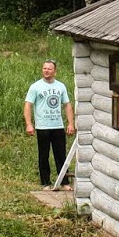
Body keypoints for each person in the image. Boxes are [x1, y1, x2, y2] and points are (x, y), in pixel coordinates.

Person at [23, 60, 75, 190]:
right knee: (43, 155)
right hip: (42, 126)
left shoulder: (61, 86)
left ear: (55, 71)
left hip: (57, 125)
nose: (46, 71)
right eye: (44, 68)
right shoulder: (35, 87)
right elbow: (28, 105)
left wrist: (70, 123)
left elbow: (67, 105)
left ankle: (64, 182)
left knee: (61, 154)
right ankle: (45, 182)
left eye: (49, 69)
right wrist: (29, 124)